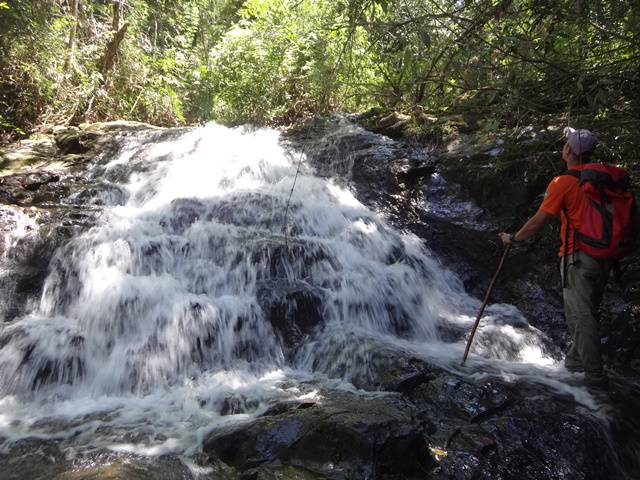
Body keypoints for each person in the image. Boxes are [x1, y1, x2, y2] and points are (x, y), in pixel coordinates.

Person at [499, 127, 611, 389]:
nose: (563, 147)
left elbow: (539, 220)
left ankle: (596, 381)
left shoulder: (563, 182)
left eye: (565, 144)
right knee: (586, 313)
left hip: (578, 258)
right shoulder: (603, 180)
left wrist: (513, 238)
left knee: (581, 316)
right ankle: (574, 367)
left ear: (569, 151)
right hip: (605, 258)